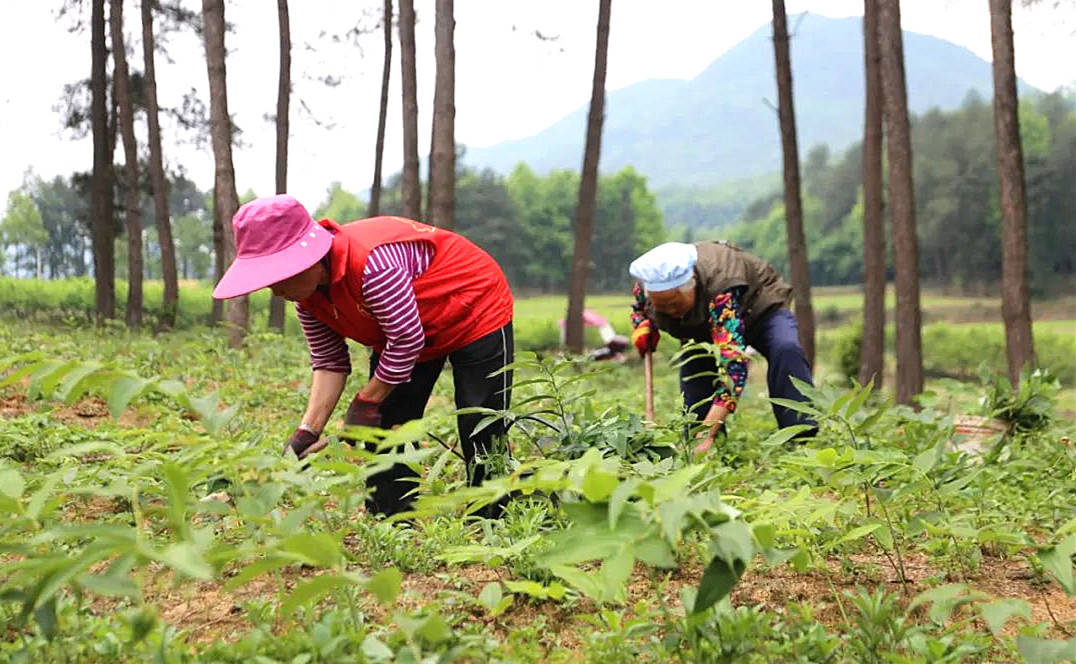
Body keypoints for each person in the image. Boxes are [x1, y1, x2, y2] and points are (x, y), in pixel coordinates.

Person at [212, 195, 514, 517]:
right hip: (408, 329)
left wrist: (366, 400)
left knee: (480, 420)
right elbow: (329, 362)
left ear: (308, 258)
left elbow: (406, 339)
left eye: (278, 275)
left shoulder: (373, 265)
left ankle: (491, 517)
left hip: (474, 308)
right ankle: (391, 518)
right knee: (386, 420)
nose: (275, 291)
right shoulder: (307, 299)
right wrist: (307, 432)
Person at [628, 241, 816, 454]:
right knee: (695, 364)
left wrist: (708, 432)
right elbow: (639, 309)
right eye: (663, 307)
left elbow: (733, 371)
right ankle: (701, 447)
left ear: (693, 283)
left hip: (761, 307)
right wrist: (642, 326)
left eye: (675, 304)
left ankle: (801, 439)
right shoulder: (647, 284)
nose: (671, 311)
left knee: (785, 348)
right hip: (699, 323)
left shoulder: (720, 292)